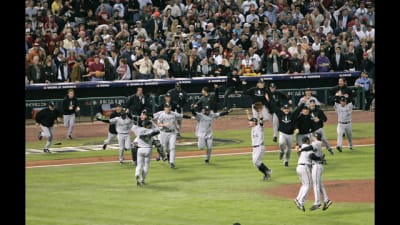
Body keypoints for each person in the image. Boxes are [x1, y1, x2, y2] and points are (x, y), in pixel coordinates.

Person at [265, 94, 303, 167]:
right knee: (281, 143)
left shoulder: (292, 115)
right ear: (283, 109)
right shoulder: (280, 113)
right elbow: (274, 107)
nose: (286, 110)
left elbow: (298, 110)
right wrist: (269, 100)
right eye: (285, 109)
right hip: (282, 133)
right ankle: (282, 151)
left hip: (290, 135)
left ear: (289, 109)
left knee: (289, 149)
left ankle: (286, 160)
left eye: (287, 109)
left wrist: (303, 103)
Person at [293, 136, 324, 212]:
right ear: (307, 141)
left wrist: (297, 147)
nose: (310, 141)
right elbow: (311, 156)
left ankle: (297, 199)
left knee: (304, 184)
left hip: (299, 167)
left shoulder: (302, 146)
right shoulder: (308, 147)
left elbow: (299, 151)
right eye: (309, 140)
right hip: (304, 167)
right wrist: (320, 159)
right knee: (308, 184)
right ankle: (300, 202)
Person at [131, 119, 161, 186]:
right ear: (148, 125)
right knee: (146, 165)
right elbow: (158, 130)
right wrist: (152, 124)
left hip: (140, 149)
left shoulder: (138, 129)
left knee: (139, 165)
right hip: (148, 149)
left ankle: (137, 174)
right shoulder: (151, 131)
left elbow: (132, 125)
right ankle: (143, 179)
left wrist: (135, 122)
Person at [153, 103, 184, 168]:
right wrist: (164, 125)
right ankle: (167, 155)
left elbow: (181, 116)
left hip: (172, 133)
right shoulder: (162, 115)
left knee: (172, 147)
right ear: (164, 108)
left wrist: (191, 117)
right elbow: (158, 124)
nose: (168, 108)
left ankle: (172, 162)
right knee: (166, 148)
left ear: (170, 107)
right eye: (166, 107)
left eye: (169, 107)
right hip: (164, 133)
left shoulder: (174, 114)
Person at [245, 109, 272, 180]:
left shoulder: (259, 127)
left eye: (250, 122)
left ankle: (267, 172)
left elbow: (261, 119)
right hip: (254, 148)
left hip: (260, 147)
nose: (249, 123)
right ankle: (267, 172)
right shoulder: (253, 128)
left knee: (256, 161)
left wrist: (260, 112)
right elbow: (250, 119)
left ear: (254, 122)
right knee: (256, 163)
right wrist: (248, 113)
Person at [308, 133, 333, 211]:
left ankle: (317, 203)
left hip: (316, 166)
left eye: (313, 136)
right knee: (320, 184)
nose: (312, 137)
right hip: (318, 166)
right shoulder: (318, 143)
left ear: (316, 137)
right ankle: (327, 200)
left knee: (316, 185)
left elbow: (311, 156)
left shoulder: (316, 143)